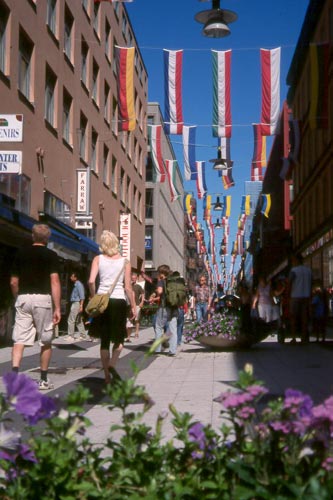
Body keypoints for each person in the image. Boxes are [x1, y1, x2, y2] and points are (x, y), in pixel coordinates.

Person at [10, 224, 61, 390]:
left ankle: (15, 376)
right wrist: (58, 307)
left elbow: (13, 282)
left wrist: (18, 297)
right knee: (45, 339)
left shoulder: (20, 253)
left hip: (23, 298)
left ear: (32, 236)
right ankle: (44, 379)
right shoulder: (51, 255)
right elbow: (54, 281)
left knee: (19, 338)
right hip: (43, 299)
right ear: (47, 239)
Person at [87, 231, 136, 384]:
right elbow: (128, 287)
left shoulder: (97, 259)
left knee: (104, 340)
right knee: (119, 338)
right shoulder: (125, 262)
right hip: (119, 301)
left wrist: (94, 296)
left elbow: (90, 281)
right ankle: (112, 364)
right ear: (116, 243)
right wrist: (133, 305)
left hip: (103, 300)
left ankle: (107, 376)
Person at [151, 264, 178, 356]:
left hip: (164, 307)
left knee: (158, 327)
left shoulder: (162, 281)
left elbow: (160, 291)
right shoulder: (174, 281)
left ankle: (157, 349)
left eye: (158, 272)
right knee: (173, 329)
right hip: (174, 307)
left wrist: (157, 289)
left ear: (161, 273)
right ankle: (172, 350)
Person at [288, 253, 312, 344]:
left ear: (297, 260)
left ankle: (294, 338)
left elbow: (289, 283)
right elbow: (311, 284)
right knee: (304, 318)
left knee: (293, 317)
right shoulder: (308, 271)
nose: (292, 262)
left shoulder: (294, 270)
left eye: (293, 260)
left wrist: (288, 295)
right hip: (306, 297)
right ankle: (304, 338)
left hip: (295, 296)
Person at [66, 271, 87, 341]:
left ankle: (71, 336)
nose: (70, 278)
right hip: (76, 303)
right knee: (79, 320)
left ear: (76, 277)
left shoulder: (79, 285)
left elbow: (82, 296)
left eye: (72, 276)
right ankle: (83, 335)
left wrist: (81, 306)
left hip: (76, 303)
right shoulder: (76, 284)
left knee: (71, 319)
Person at [131, 272, 145, 339]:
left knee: (137, 320)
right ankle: (128, 334)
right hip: (129, 305)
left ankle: (136, 333)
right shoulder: (128, 286)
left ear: (136, 278)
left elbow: (143, 294)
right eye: (132, 278)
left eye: (134, 278)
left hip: (137, 304)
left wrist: (142, 302)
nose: (133, 279)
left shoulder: (138, 286)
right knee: (129, 319)